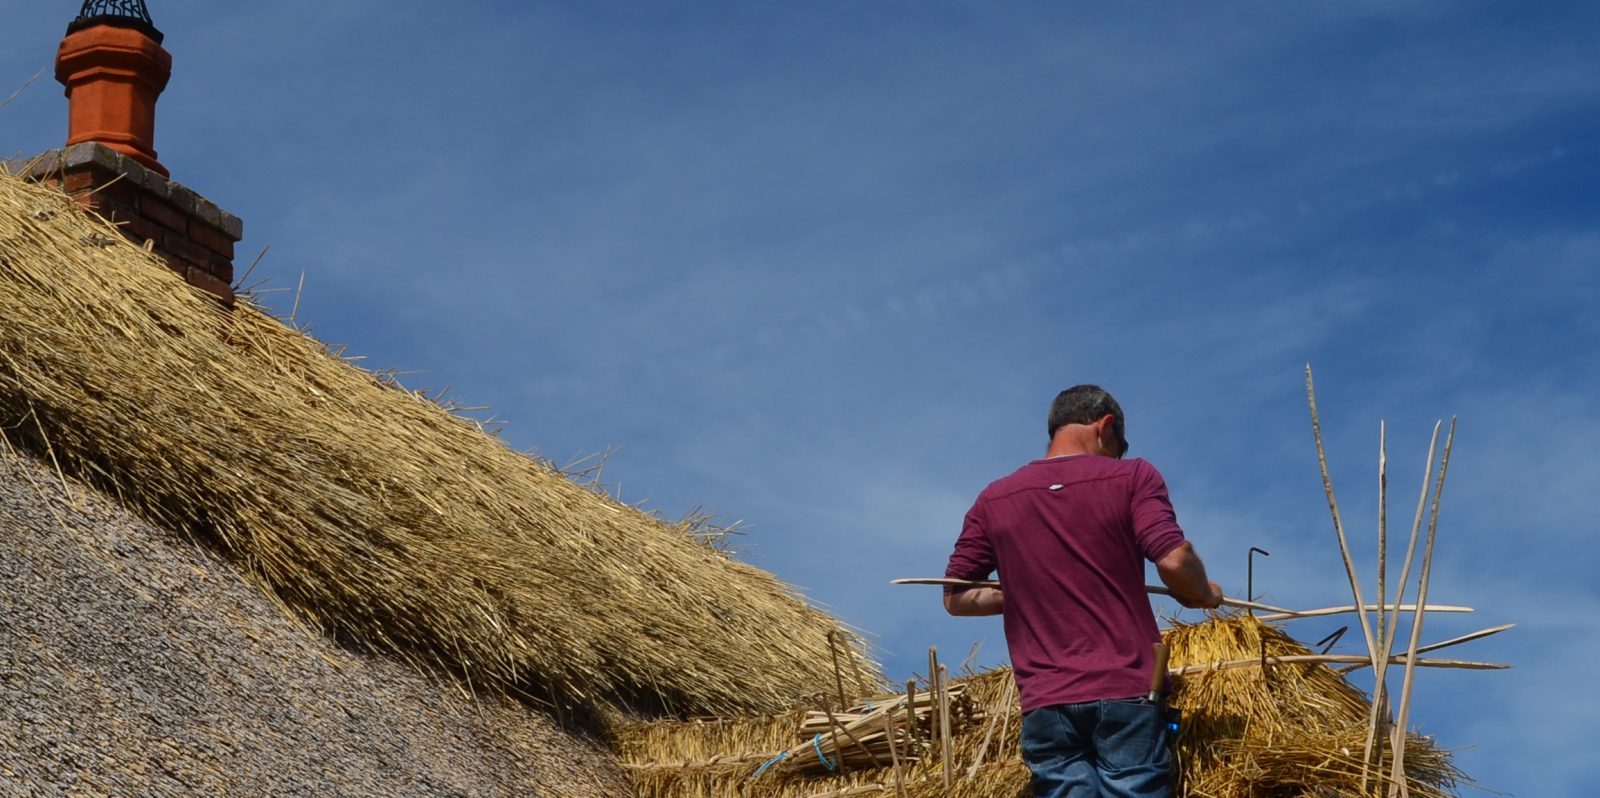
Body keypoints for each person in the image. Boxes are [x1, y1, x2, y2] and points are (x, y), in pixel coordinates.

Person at [943, 384, 1223, 798]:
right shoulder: (1132, 476)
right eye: (1118, 446)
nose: (1117, 456)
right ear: (1105, 425)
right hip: (1125, 687)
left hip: (1045, 699)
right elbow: (1175, 561)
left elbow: (955, 598)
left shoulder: (995, 498)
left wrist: (1028, 588)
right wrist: (1203, 594)